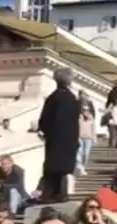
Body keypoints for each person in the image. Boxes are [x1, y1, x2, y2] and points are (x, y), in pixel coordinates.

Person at [37, 69, 81, 203]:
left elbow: (44, 121)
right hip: (69, 142)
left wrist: (45, 132)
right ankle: (61, 195)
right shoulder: (72, 99)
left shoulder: (53, 98)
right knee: (63, 172)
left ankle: (50, 196)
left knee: (52, 172)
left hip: (55, 142)